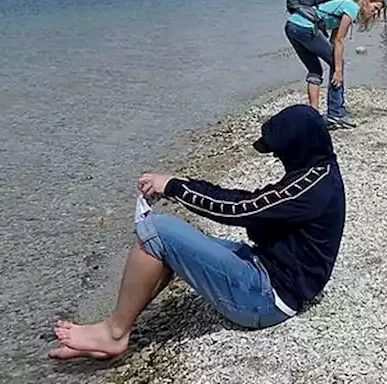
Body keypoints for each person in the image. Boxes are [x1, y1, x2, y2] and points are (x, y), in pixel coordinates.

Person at [49, 105, 346, 360]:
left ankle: (113, 332)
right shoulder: (321, 171)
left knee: (158, 229)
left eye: (279, 152)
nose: (277, 159)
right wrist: (180, 183)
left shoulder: (309, 187)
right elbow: (258, 206)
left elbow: (241, 209)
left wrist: (176, 186)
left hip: (266, 298)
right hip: (273, 275)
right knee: (168, 242)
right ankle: (120, 325)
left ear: (296, 148)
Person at [286, 0, 381, 129]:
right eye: (375, 8)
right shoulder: (352, 7)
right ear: (368, 1)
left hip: (291, 25)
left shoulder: (345, 6)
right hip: (306, 27)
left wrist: (334, 62)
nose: (376, 13)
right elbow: (339, 40)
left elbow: (332, 40)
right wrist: (337, 70)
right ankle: (336, 113)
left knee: (315, 69)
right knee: (338, 63)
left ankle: (313, 115)